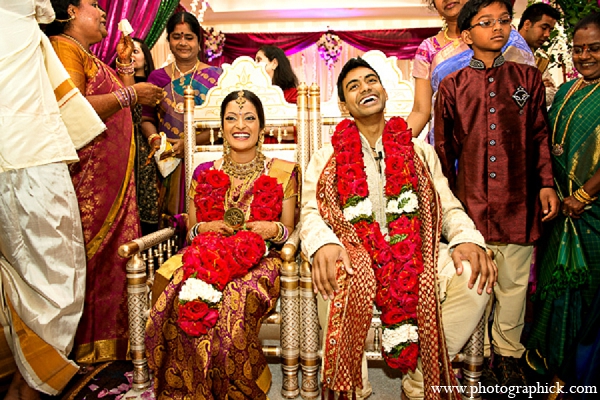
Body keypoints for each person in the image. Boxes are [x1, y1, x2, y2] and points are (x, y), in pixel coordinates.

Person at [300, 57, 497, 400]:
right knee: (334, 273)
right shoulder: (326, 156)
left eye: (370, 80)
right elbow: (310, 212)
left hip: (416, 253)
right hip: (354, 254)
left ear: (385, 91)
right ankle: (353, 389)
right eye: (354, 86)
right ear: (345, 105)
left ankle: (422, 381)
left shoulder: (419, 151)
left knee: (474, 277)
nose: (366, 88)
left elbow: (447, 205)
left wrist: (466, 238)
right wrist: (323, 244)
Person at [434, 0, 560, 387]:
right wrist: (448, 207)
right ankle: (479, 355)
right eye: (486, 23)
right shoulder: (453, 85)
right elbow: (443, 151)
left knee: (514, 282)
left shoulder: (527, 79)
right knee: (476, 280)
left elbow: (539, 135)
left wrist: (546, 184)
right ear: (467, 34)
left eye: (504, 21)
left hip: (519, 198)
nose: (498, 28)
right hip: (470, 201)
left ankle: (507, 356)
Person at [146, 89, 299, 399]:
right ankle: (190, 387)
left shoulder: (284, 172)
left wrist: (272, 229)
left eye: (249, 118)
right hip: (206, 255)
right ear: (222, 126)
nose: (240, 124)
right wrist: (206, 226)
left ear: (261, 126)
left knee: (234, 299)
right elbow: (190, 232)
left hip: (261, 259)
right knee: (183, 296)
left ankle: (236, 388)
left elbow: (291, 231)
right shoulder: (205, 172)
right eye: (231, 118)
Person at [46, 0, 164, 366]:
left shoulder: (89, 55)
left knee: (116, 263)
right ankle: (80, 351)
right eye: (94, 5)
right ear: (69, 11)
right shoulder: (62, 48)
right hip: (88, 185)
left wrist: (125, 65)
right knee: (89, 266)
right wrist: (133, 93)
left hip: (112, 185)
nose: (101, 12)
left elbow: (121, 105)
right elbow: (73, 109)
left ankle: (110, 348)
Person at [0, 0, 104, 397]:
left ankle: (26, 384)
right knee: (60, 279)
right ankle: (32, 387)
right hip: (28, 156)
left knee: (34, 274)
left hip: (24, 154)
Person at [526, 12, 600, 395]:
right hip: (558, 209)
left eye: (594, 48)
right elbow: (542, 128)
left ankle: (577, 374)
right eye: (578, 48)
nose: (584, 56)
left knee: (584, 294)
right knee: (553, 289)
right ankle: (553, 368)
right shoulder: (570, 90)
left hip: (589, 215)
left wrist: (585, 194)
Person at [407, 0, 535, 142]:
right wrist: (393, 145)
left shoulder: (503, 38)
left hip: (501, 139)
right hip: (447, 142)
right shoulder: (428, 48)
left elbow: (524, 96)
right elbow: (420, 111)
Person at [141, 12, 222, 223]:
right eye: (177, 37)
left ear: (199, 42)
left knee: (207, 215)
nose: (183, 43)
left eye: (189, 37)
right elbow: (147, 119)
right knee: (170, 220)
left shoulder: (217, 77)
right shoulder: (156, 77)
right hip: (167, 160)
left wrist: (190, 143)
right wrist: (157, 143)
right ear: (168, 40)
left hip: (206, 158)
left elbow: (223, 124)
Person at [132, 38, 159, 235]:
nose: (130, 55)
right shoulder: (114, 84)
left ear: (146, 58)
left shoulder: (154, 85)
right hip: (124, 144)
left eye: (135, 51)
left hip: (148, 146)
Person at [518, 2, 561, 106]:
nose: (547, 35)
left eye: (550, 30)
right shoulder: (504, 50)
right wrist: (539, 87)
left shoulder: (539, 59)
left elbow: (551, 94)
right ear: (527, 24)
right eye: (544, 27)